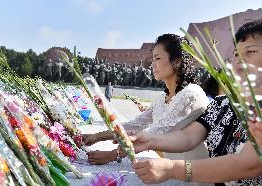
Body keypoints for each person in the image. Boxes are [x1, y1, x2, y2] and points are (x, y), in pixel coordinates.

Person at [130, 19, 262, 186]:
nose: (238, 62)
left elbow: (248, 165)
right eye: (236, 54)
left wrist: (173, 169)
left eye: (250, 52)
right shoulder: (222, 104)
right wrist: (150, 140)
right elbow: (189, 136)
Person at [84, 34, 211, 186]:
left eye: (157, 58)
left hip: (191, 176)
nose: (152, 65)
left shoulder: (190, 95)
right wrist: (96, 137)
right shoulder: (164, 97)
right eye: (152, 59)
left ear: (176, 61)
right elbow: (135, 125)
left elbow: (154, 134)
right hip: (169, 169)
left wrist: (112, 155)